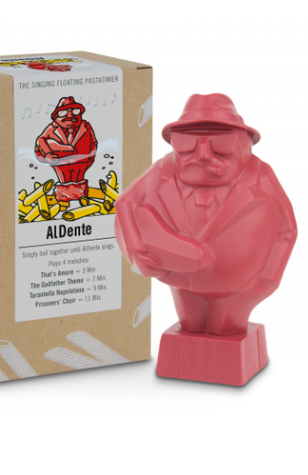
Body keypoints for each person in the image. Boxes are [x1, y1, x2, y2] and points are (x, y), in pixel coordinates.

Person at [115, 94, 297, 335]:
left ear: (244, 143)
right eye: (187, 143)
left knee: (226, 328)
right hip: (180, 280)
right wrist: (136, 252)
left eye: (220, 144)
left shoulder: (260, 175)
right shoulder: (163, 170)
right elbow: (125, 203)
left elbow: (287, 229)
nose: (202, 154)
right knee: (190, 326)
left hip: (235, 286)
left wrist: (269, 279)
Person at [35, 96, 98, 201]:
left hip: (81, 163)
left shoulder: (86, 126)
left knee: (79, 180)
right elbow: (41, 140)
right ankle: (63, 198)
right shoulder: (52, 128)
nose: (70, 115)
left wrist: (90, 159)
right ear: (56, 116)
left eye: (75, 111)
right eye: (63, 112)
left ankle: (81, 198)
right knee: (64, 180)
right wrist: (48, 154)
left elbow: (93, 142)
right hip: (61, 165)